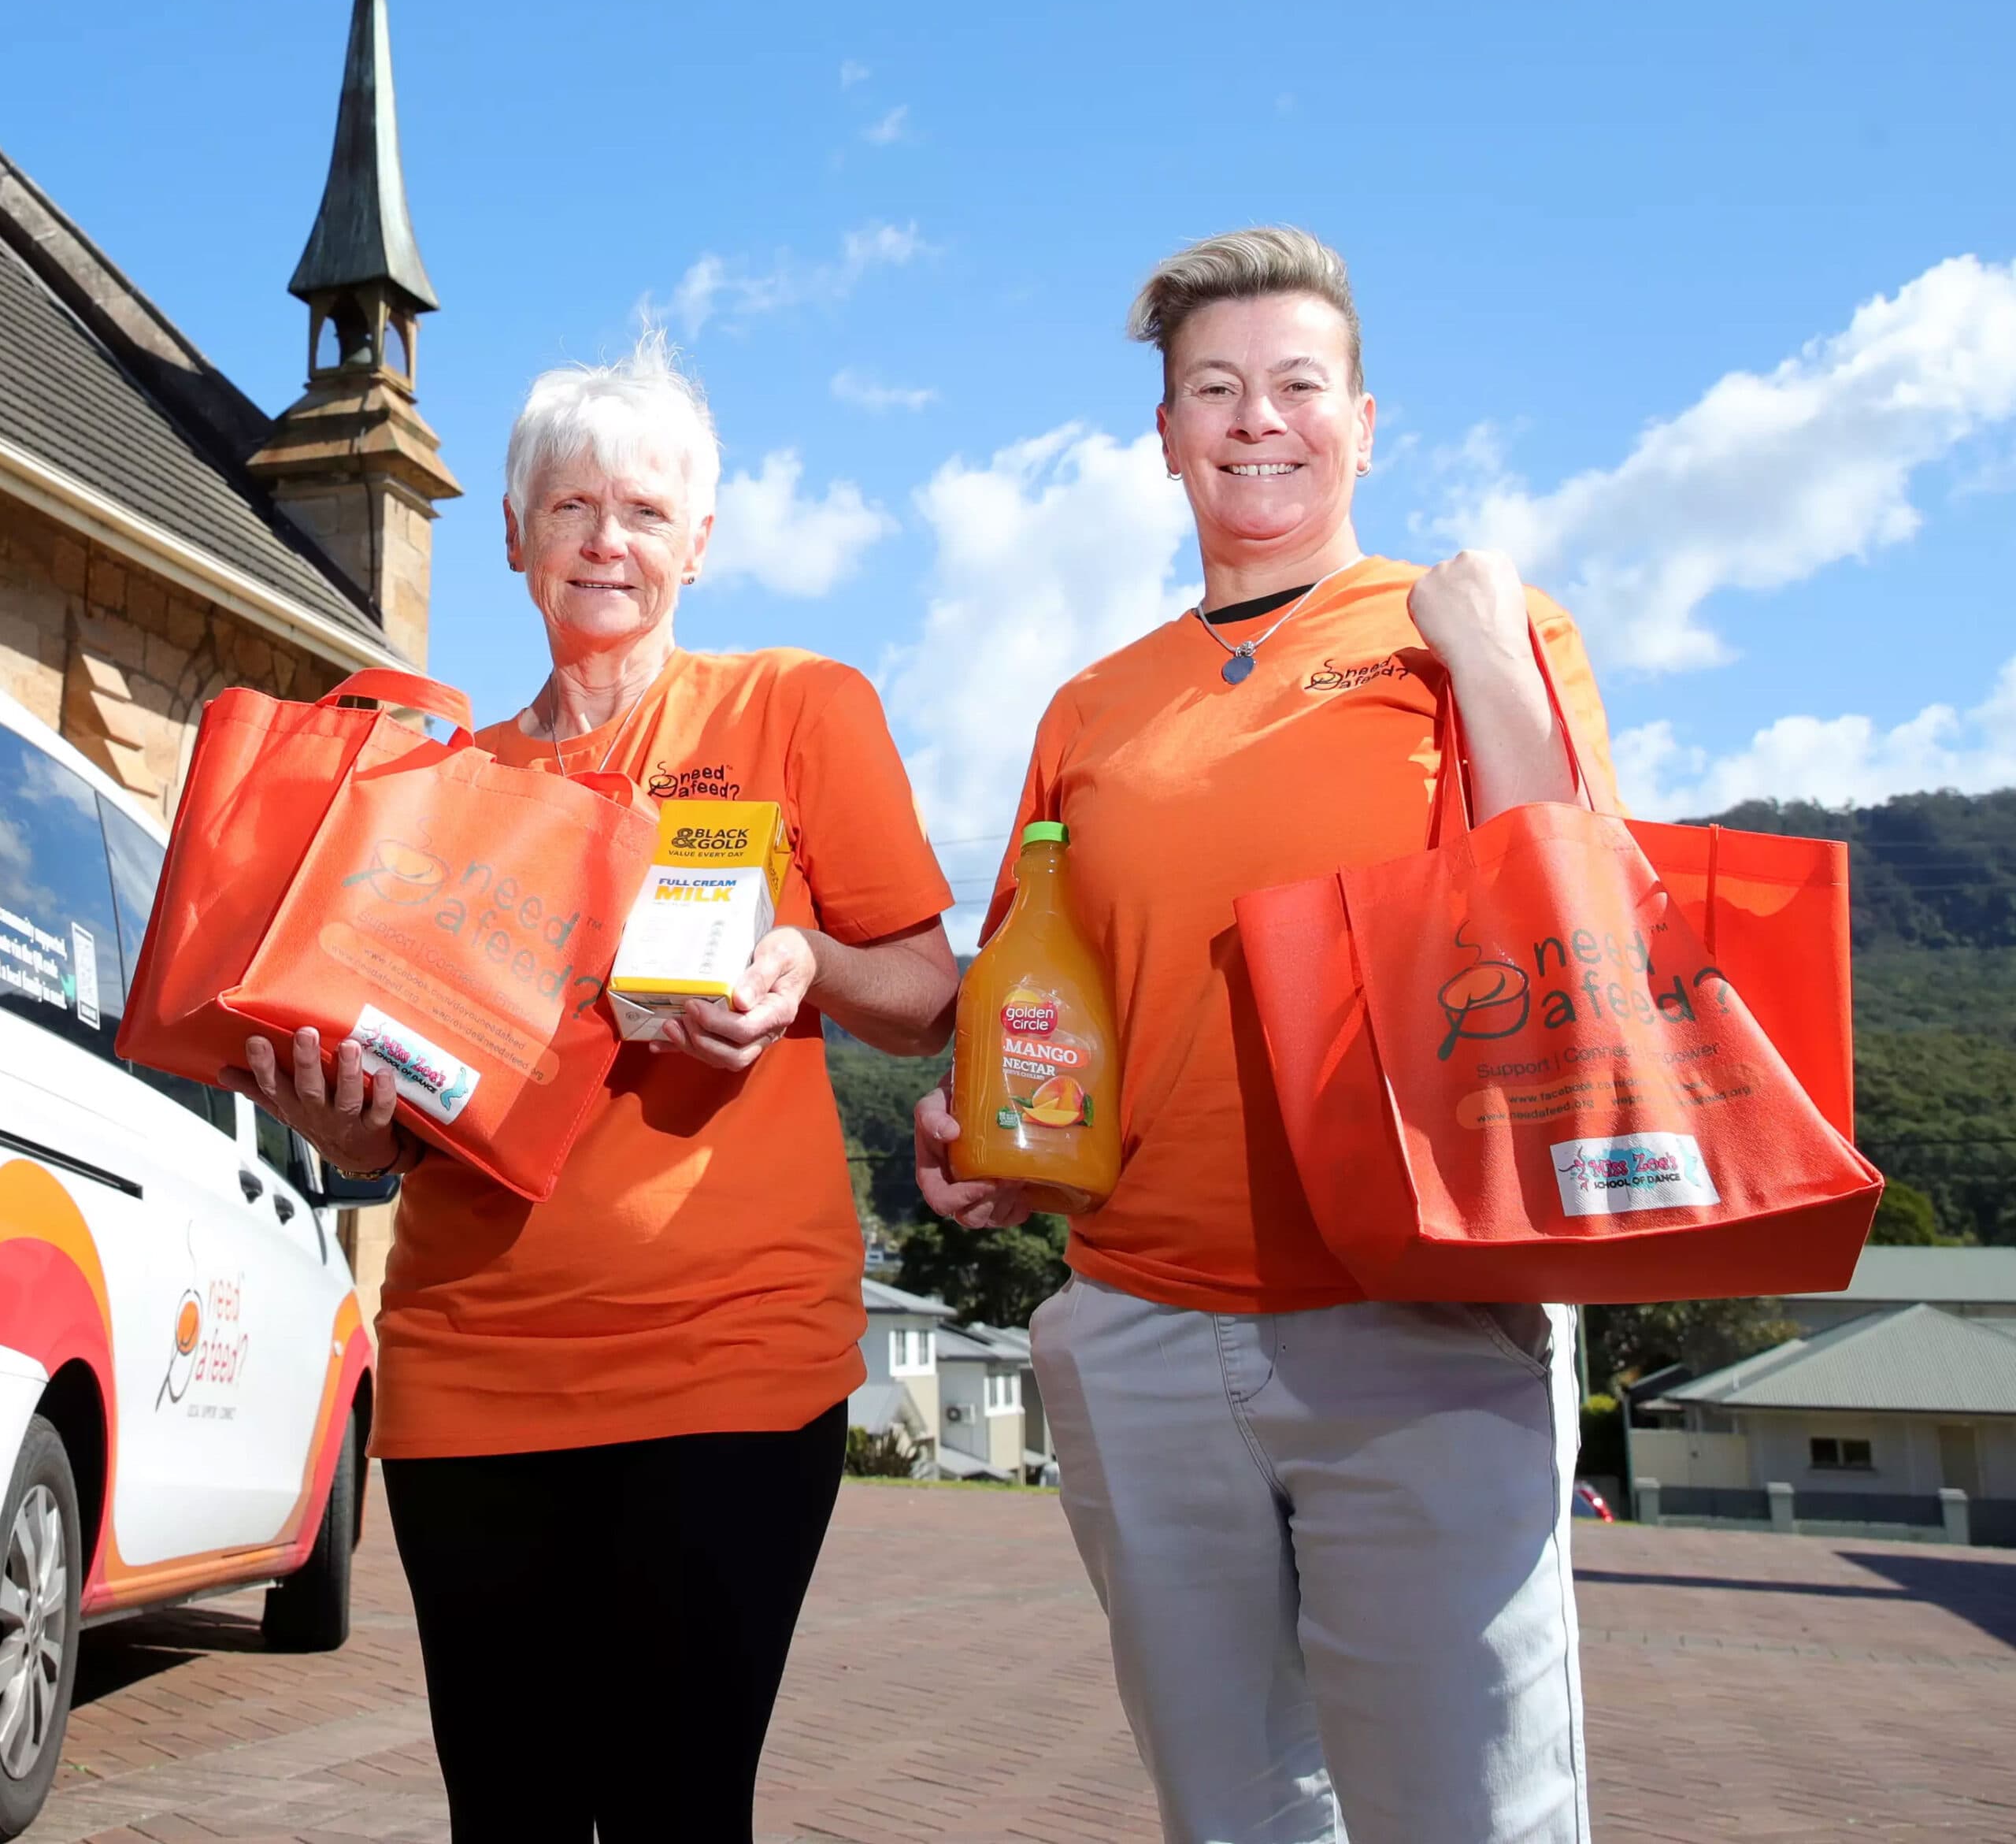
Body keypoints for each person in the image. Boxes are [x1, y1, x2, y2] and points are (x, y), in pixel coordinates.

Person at [916, 228, 1615, 1844]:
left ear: (1364, 422)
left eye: (1297, 385)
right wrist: (983, 1134)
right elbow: (1049, 989)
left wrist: (1488, 652)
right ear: (1164, 433)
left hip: (1419, 1312)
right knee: (1226, 1814)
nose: (1255, 420)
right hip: (1143, 1320)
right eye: (1212, 388)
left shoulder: (1473, 631)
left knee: (1470, 1814)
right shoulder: (1090, 707)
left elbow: (1575, 911)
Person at [225, 334, 958, 1844]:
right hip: (470, 1374)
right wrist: (350, 1129)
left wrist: (802, 959)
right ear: (509, 537)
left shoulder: (797, 707)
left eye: (640, 509)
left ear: (702, 536)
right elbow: (408, 1119)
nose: (603, 540)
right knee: (507, 1815)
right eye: (566, 508)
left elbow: (928, 989)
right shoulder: (436, 793)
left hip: (726, 1358)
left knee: (678, 1806)